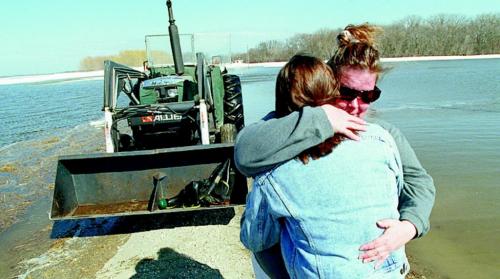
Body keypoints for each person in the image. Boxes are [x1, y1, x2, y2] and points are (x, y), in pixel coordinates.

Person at [236, 24, 435, 277]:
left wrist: (409, 226)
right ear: (327, 84)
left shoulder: (384, 134)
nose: (356, 105)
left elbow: (419, 183)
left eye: (369, 95)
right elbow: (245, 153)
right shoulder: (294, 123)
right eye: (346, 92)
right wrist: (321, 119)